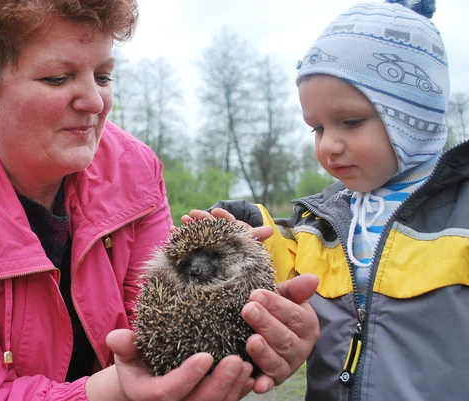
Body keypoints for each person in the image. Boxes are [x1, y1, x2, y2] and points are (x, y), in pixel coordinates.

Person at [0, 1, 320, 400]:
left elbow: (160, 333)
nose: (94, 101)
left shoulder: (136, 170)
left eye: (103, 75)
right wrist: (116, 391)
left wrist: (242, 323)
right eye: (58, 77)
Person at [196, 0, 469, 400]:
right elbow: (288, 271)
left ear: (415, 117)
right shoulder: (325, 219)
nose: (329, 145)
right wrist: (250, 232)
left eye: (351, 122)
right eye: (317, 128)